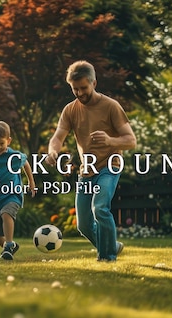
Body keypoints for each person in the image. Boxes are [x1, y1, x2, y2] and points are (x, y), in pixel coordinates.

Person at [46, 60, 136, 262]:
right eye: (74, 89)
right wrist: (53, 151)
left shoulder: (111, 107)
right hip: (86, 171)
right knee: (84, 225)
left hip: (109, 166)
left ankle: (107, 256)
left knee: (100, 208)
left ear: (94, 83)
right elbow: (58, 136)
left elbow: (131, 140)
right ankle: (111, 245)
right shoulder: (70, 110)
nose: (79, 93)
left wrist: (110, 140)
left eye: (83, 88)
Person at [0, 121, 36, 260]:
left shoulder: (14, 156)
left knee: (6, 213)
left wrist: (31, 182)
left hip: (12, 195)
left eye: (1, 143)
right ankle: (9, 247)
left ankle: (8, 245)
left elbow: (26, 163)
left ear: (8, 141)